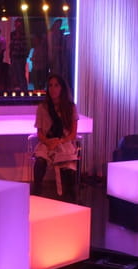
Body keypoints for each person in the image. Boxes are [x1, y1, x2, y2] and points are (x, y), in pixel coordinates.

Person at [32, 74, 79, 202]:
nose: (53, 89)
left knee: (68, 166)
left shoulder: (70, 107)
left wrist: (60, 141)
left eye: (56, 85)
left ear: (62, 88)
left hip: (64, 142)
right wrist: (48, 142)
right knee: (40, 162)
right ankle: (36, 196)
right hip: (47, 142)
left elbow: (73, 134)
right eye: (50, 85)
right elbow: (39, 133)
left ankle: (71, 199)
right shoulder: (42, 107)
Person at [9, 18, 29, 92]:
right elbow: (11, 44)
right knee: (14, 73)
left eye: (19, 25)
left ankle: (24, 90)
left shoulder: (25, 34)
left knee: (21, 74)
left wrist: (19, 38)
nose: (17, 26)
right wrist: (10, 54)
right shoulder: (13, 34)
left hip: (21, 56)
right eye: (16, 25)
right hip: (14, 56)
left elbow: (25, 46)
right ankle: (15, 89)